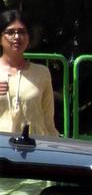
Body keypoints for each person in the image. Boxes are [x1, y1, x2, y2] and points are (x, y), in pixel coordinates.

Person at [0, 7, 58, 138]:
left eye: (22, 32)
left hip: (34, 148)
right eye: (10, 32)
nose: (16, 37)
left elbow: (48, 121)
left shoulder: (42, 73)